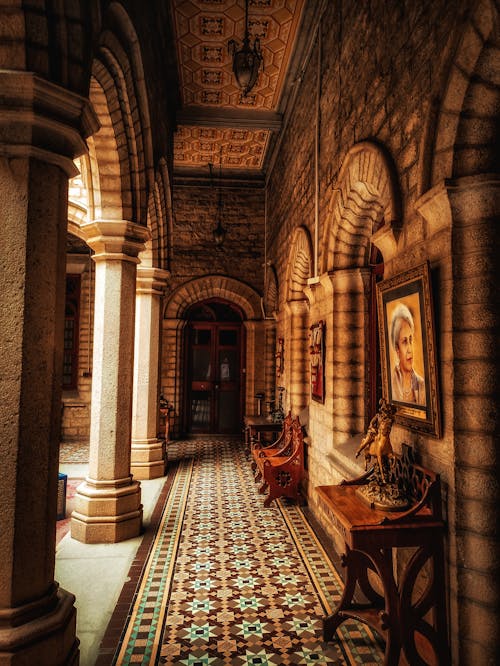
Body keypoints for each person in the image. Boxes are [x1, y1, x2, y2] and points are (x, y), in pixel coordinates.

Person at [390, 302, 425, 405]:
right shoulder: (391, 382)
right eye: (405, 342)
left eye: (410, 340)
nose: (410, 349)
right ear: (397, 349)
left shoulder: (421, 384)